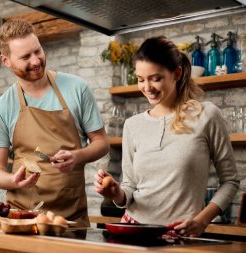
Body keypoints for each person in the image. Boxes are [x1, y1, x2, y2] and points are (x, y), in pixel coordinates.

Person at [95, 36, 239, 237]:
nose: (147, 87)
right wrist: (115, 194)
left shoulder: (206, 115)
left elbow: (230, 181)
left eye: (155, 78)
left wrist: (202, 220)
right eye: (140, 79)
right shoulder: (132, 125)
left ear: (176, 73)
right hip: (133, 230)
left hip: (180, 235)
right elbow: (129, 188)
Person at [0, 19, 109, 226]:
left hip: (70, 219)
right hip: (23, 218)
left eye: (38, 51)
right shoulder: (1, 108)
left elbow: (102, 143)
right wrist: (13, 181)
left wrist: (77, 156)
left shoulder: (77, 88)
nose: (35, 61)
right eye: (25, 56)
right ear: (6, 61)